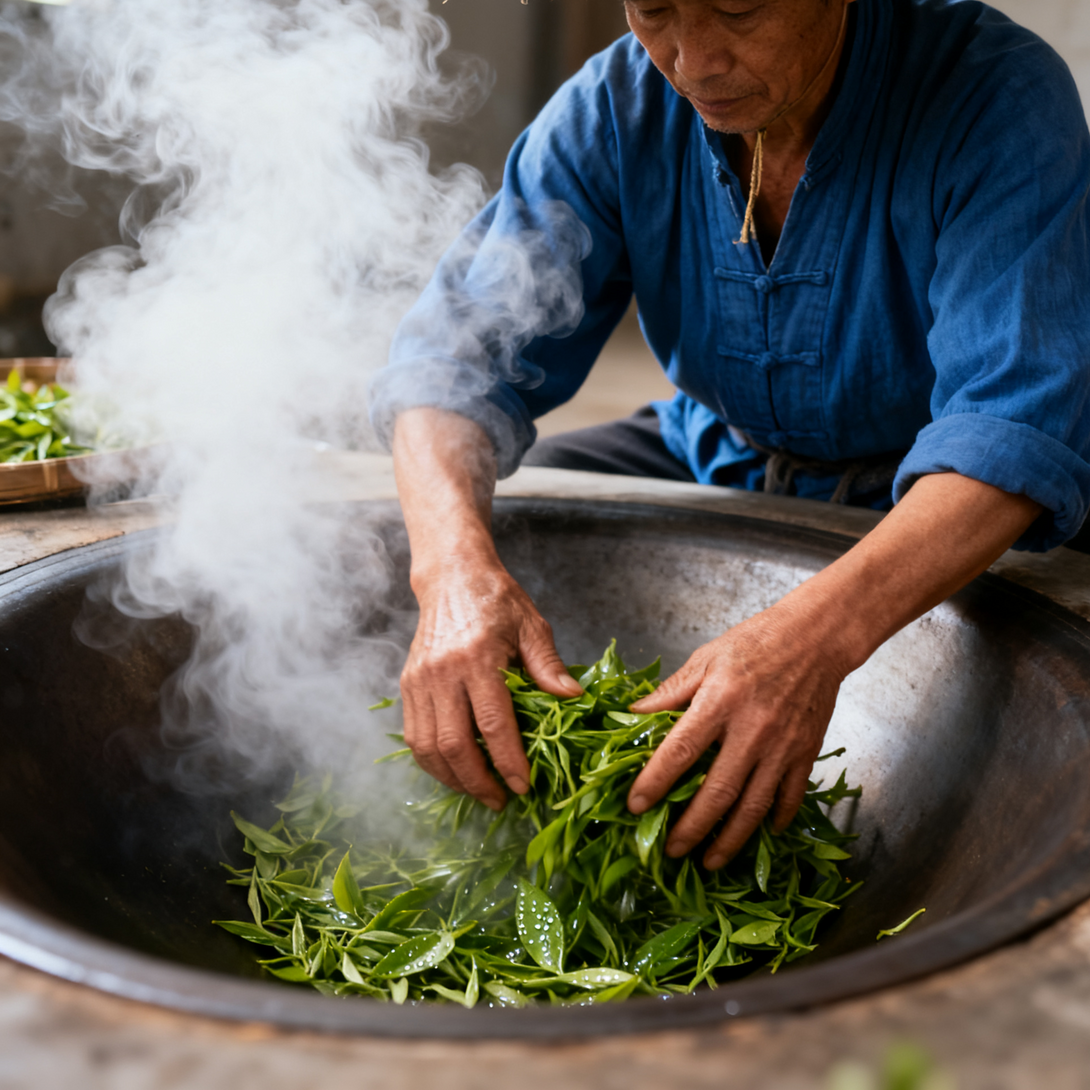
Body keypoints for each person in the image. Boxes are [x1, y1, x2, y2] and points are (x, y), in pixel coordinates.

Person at [369, 0, 1090, 870]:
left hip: (941, 494)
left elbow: (1008, 425)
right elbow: (451, 364)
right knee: (496, 542)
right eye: (655, 9)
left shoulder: (993, 93)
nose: (694, 60)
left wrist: (808, 642)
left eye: (740, 8)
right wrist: (449, 571)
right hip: (716, 448)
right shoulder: (617, 107)